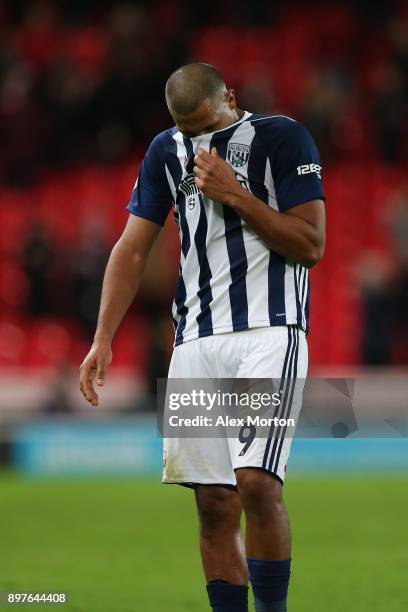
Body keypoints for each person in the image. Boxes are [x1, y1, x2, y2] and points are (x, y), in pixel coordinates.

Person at [79, 63, 326, 612]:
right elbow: (133, 248)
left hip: (270, 330)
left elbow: (311, 244)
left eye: (201, 125)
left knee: (258, 483)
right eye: (184, 129)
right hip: (193, 340)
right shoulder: (165, 151)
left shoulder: (284, 137)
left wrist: (236, 195)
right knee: (214, 502)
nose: (194, 140)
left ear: (229, 98)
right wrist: (103, 338)